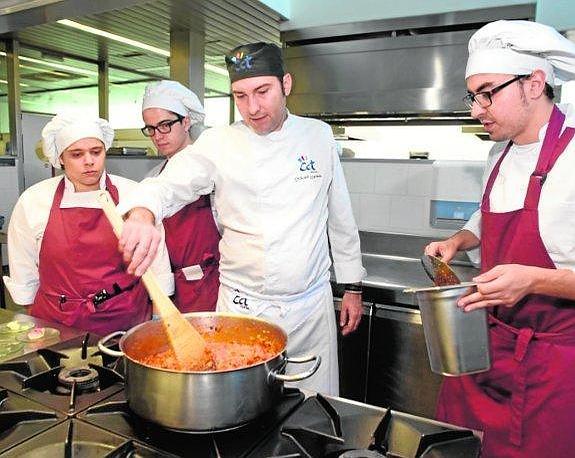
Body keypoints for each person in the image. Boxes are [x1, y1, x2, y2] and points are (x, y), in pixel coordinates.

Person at [116, 42, 366, 395]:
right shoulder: (219, 143)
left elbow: (339, 216)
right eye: (240, 96)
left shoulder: (318, 136)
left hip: (310, 307)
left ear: (286, 85)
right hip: (244, 308)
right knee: (247, 406)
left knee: (315, 405)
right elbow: (169, 183)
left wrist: (352, 285)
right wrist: (142, 213)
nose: (253, 108)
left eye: (263, 92)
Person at [424, 20, 575, 458]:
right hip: (488, 349)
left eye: (488, 92)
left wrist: (532, 280)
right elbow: (486, 216)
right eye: (473, 95)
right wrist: (459, 241)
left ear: (534, 83)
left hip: (552, 366)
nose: (476, 109)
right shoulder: (500, 151)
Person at [3, 115, 174, 335]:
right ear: (61, 158)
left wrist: (159, 320)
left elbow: (157, 264)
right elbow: (24, 271)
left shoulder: (134, 195)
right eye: (77, 154)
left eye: (96, 151)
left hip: (126, 320)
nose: (89, 161)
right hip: (58, 323)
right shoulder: (35, 200)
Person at [141, 80, 220, 313]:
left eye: (165, 125)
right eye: (151, 128)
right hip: (177, 288)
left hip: (217, 284)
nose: (158, 136)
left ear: (186, 122)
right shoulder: (156, 178)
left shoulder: (213, 169)